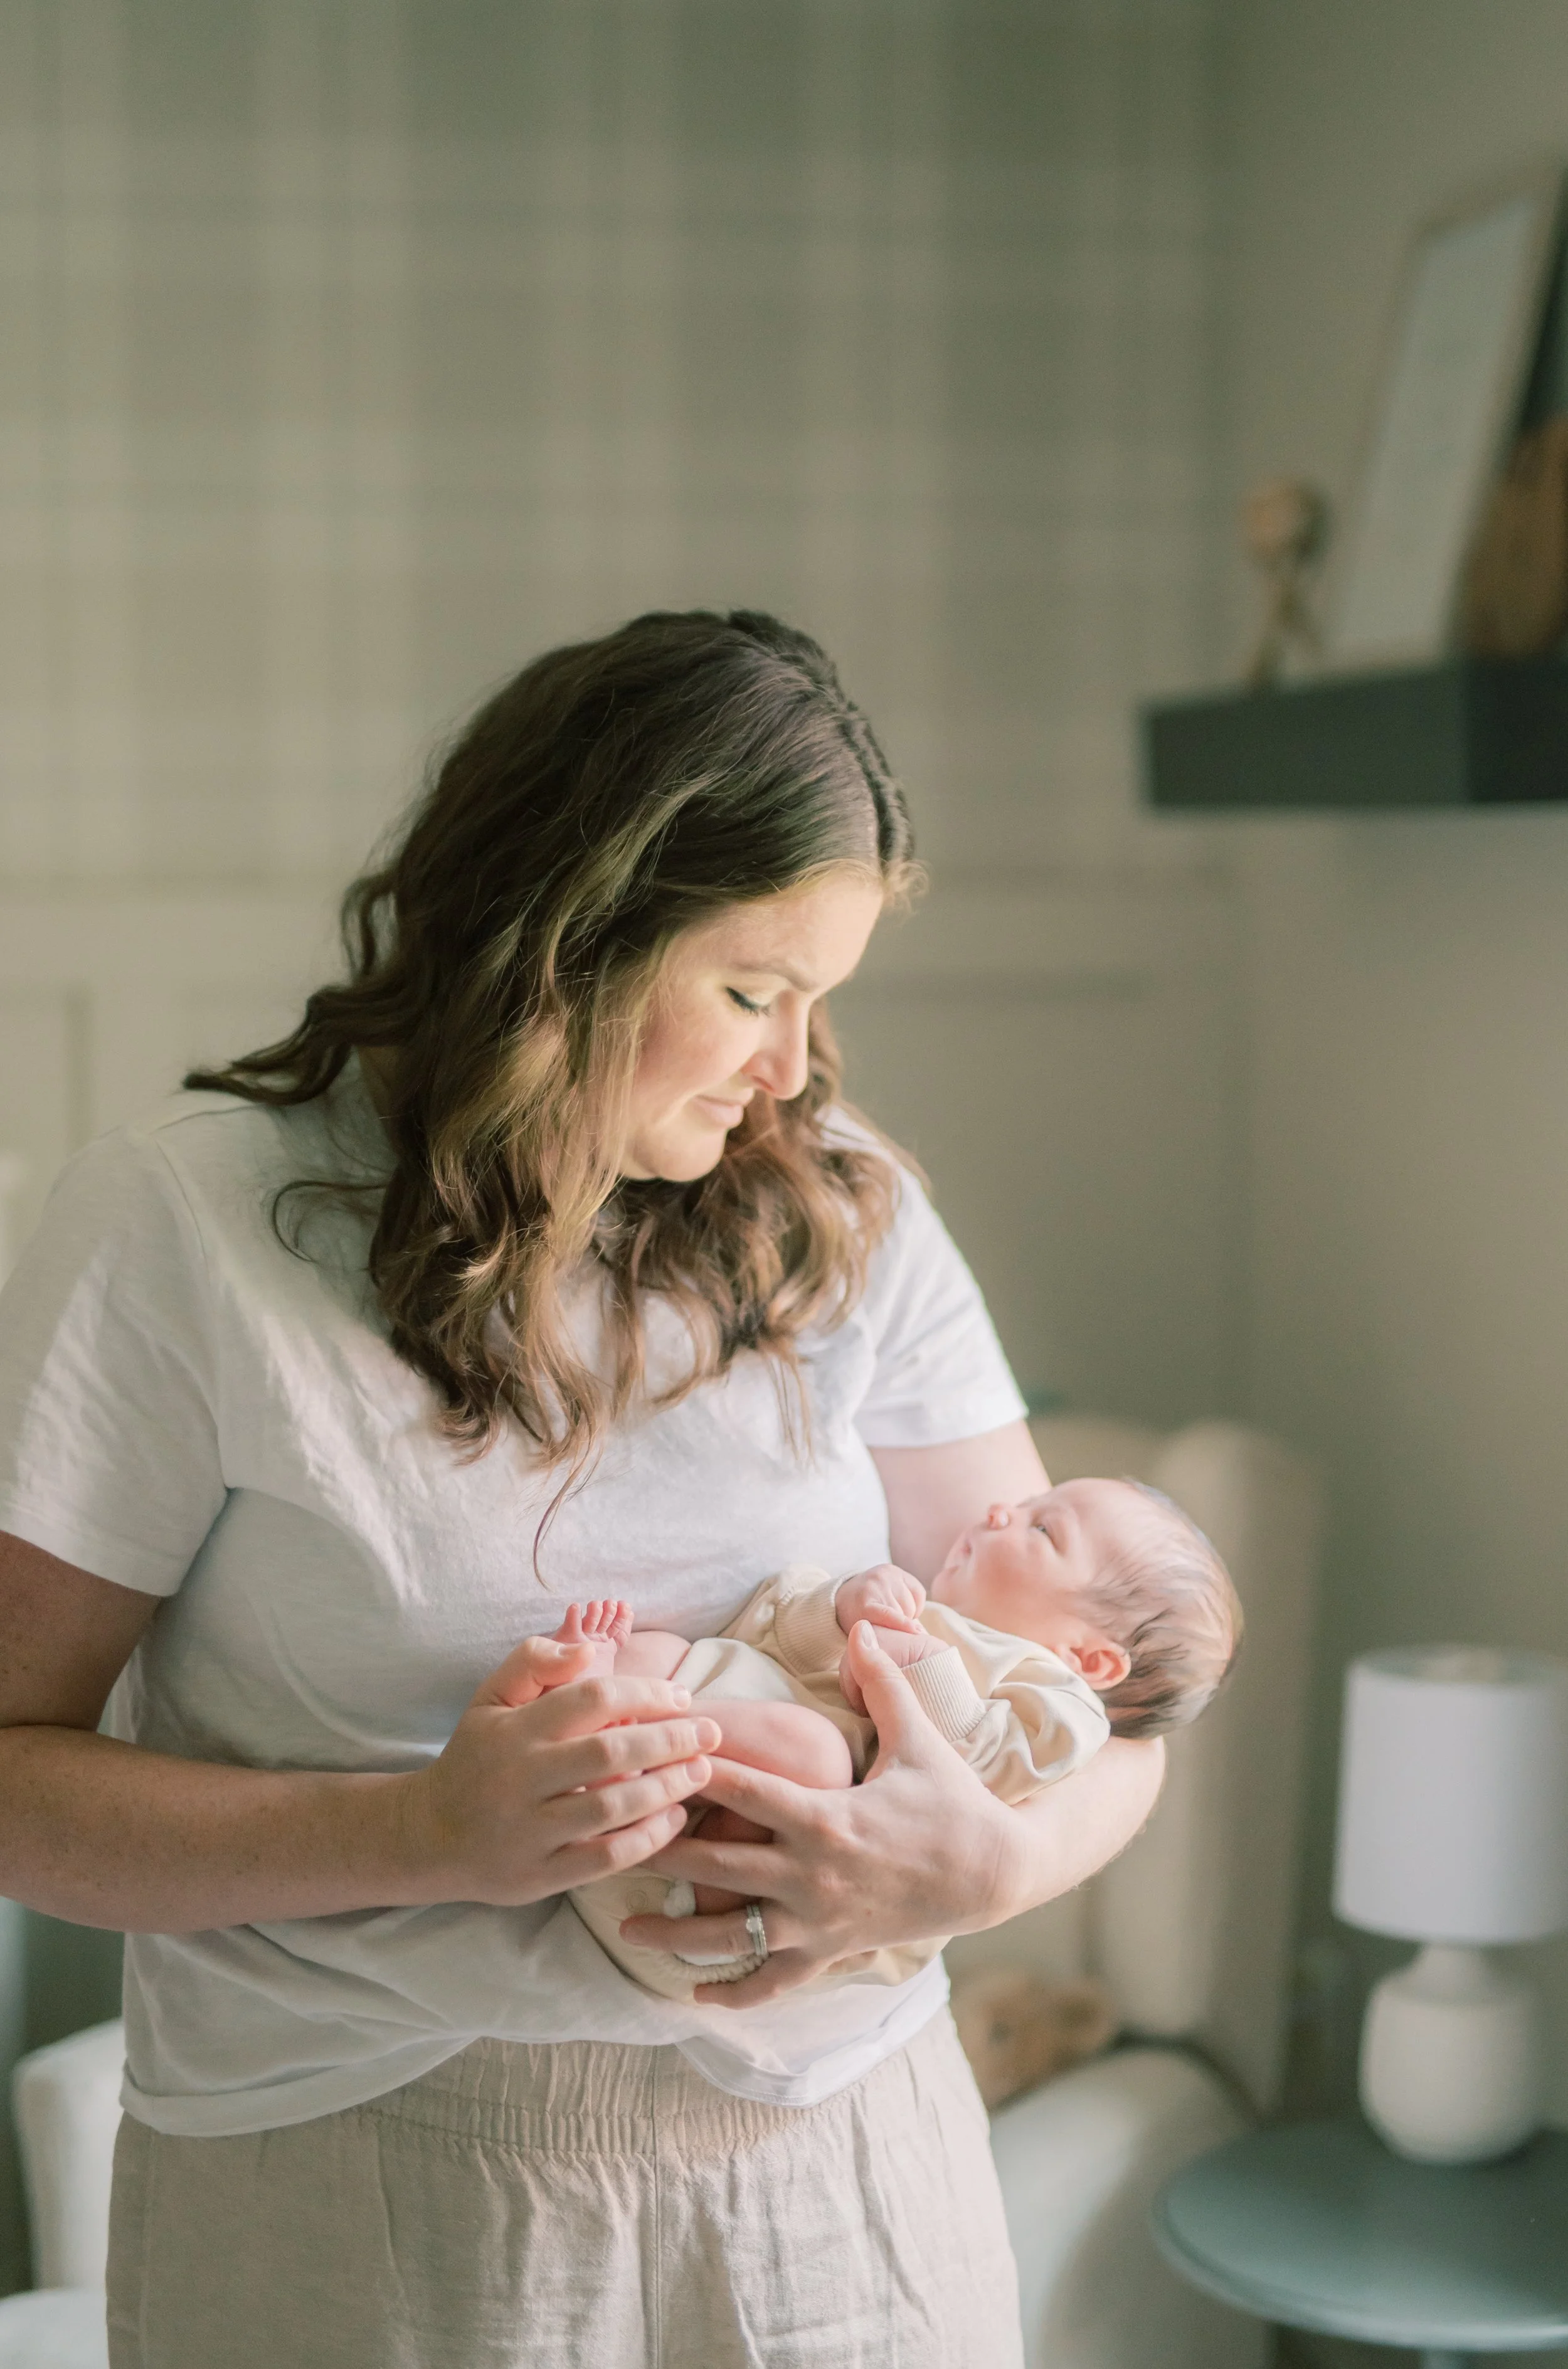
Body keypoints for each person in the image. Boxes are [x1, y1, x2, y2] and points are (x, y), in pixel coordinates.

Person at [0, 610, 1165, 2369]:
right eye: (753, 993)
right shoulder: (183, 1230)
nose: (794, 1069)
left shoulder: (848, 1217)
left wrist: (978, 1863)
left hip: (843, 2187)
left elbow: (1110, 1708)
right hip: (363, 2199)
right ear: (563, 947)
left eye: (821, 1000)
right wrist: (420, 1836)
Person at [566, 1475, 1240, 1998]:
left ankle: (622, 1746)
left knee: (814, 1751)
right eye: (1028, 1501)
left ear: (1088, 1659)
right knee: (663, 1653)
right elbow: (772, 1639)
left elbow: (983, 1764)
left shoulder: (1057, 1707)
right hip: (652, 1845)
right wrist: (839, 1609)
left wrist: (916, 1663)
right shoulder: (924, 1606)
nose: (1001, 1511)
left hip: (719, 1917)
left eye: (1043, 1528)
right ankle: (593, 1716)